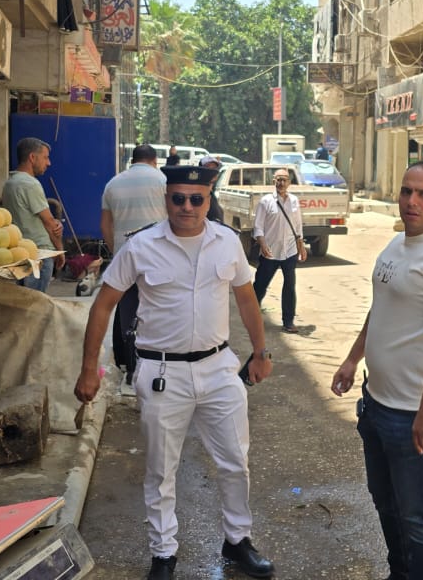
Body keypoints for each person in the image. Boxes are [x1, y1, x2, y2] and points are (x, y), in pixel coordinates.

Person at [74, 164, 275, 580]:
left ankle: (238, 540)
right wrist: (89, 369)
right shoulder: (141, 246)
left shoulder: (227, 242)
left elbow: (246, 298)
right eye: (178, 198)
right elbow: (104, 304)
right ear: (166, 200)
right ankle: (163, 554)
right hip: (163, 372)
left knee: (235, 462)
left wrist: (260, 352)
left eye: (196, 199)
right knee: (161, 470)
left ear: (208, 200)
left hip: (218, 369)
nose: (187, 207)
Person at [331, 161, 423, 580]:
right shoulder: (398, 245)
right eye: (406, 191)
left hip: (416, 416)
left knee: (420, 519)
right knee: (386, 503)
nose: (412, 201)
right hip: (376, 403)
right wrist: (353, 358)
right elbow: (382, 310)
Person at [101, 143, 167, 395]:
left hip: (125, 261)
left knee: (128, 315)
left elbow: (105, 225)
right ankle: (156, 367)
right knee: (157, 314)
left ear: (132, 160)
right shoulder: (163, 181)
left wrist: (117, 251)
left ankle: (131, 369)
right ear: (154, 160)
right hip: (158, 262)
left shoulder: (113, 184)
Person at [1, 137, 65, 292]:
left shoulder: (10, 183)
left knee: (23, 301)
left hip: (19, 251)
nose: (48, 163)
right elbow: (48, 223)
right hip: (38, 254)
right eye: (45, 157)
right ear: (32, 157)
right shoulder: (30, 184)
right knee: (36, 303)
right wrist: (59, 250)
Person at [252, 167, 306, 334]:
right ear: (273, 181)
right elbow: (258, 227)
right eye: (278, 179)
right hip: (270, 252)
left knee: (290, 286)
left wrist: (301, 246)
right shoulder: (266, 201)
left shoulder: (294, 201)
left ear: (289, 182)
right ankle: (252, 315)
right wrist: (262, 244)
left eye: (284, 180)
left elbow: (297, 225)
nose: (281, 183)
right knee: (260, 285)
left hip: (289, 251)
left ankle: (288, 322)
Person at [198, 155, 225, 223]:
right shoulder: (198, 194)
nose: (213, 172)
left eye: (215, 169)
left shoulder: (211, 192)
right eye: (209, 169)